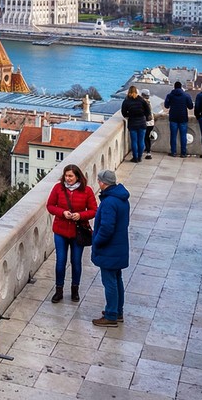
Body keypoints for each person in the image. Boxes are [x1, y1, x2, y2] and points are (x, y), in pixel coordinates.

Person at [46, 163, 98, 304]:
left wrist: (80, 215)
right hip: (60, 230)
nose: (68, 179)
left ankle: (75, 290)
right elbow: (50, 206)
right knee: (60, 261)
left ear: (77, 177)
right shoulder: (58, 188)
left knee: (76, 262)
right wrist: (62, 212)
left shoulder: (86, 190)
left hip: (78, 232)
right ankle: (59, 290)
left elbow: (94, 210)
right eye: (66, 176)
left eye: (71, 176)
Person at [91, 169, 131, 327]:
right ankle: (118, 311)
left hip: (109, 249)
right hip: (119, 247)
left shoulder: (109, 202)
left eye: (99, 181)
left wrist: (97, 241)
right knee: (117, 279)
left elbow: (107, 228)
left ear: (103, 182)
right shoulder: (122, 198)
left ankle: (111, 315)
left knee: (109, 282)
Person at [164, 81, 195, 157]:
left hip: (173, 117)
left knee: (173, 136)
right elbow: (190, 107)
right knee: (183, 136)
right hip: (183, 117)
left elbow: (166, 106)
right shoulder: (186, 95)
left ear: (174, 87)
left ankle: (173, 152)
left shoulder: (170, 95)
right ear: (181, 87)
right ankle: (183, 153)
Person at [120, 86, 150, 163]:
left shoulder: (127, 101)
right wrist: (144, 116)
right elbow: (148, 111)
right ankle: (140, 157)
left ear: (128, 92)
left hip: (132, 123)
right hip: (142, 122)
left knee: (134, 141)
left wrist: (129, 115)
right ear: (136, 91)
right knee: (141, 141)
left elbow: (123, 112)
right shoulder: (141, 100)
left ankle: (135, 157)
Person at [141, 89, 155, 160]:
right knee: (147, 137)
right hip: (151, 122)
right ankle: (147, 149)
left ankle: (148, 153)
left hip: (146, 123)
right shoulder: (149, 102)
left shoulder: (143, 103)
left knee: (146, 138)